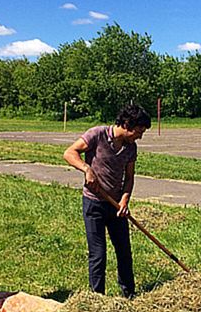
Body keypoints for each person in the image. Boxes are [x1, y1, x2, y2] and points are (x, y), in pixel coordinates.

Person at [63, 104, 151, 298]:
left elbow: (129, 178)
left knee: (124, 253)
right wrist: (87, 170)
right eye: (138, 131)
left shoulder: (130, 148)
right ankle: (97, 299)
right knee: (98, 254)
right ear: (127, 125)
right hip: (94, 203)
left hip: (116, 205)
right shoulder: (97, 134)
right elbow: (69, 153)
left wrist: (125, 200)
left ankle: (129, 295)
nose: (140, 136)